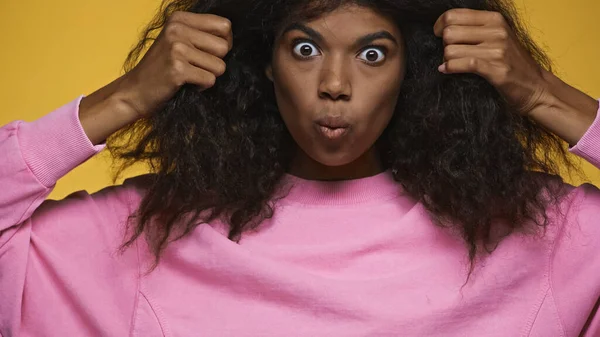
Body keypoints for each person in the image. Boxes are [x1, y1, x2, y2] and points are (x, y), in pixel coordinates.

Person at [1, 0, 599, 335]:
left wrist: (545, 95)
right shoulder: (152, 233)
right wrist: (125, 98)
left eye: (371, 54)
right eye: (306, 49)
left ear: (412, 69)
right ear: (264, 63)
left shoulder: (536, 234)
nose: (335, 85)